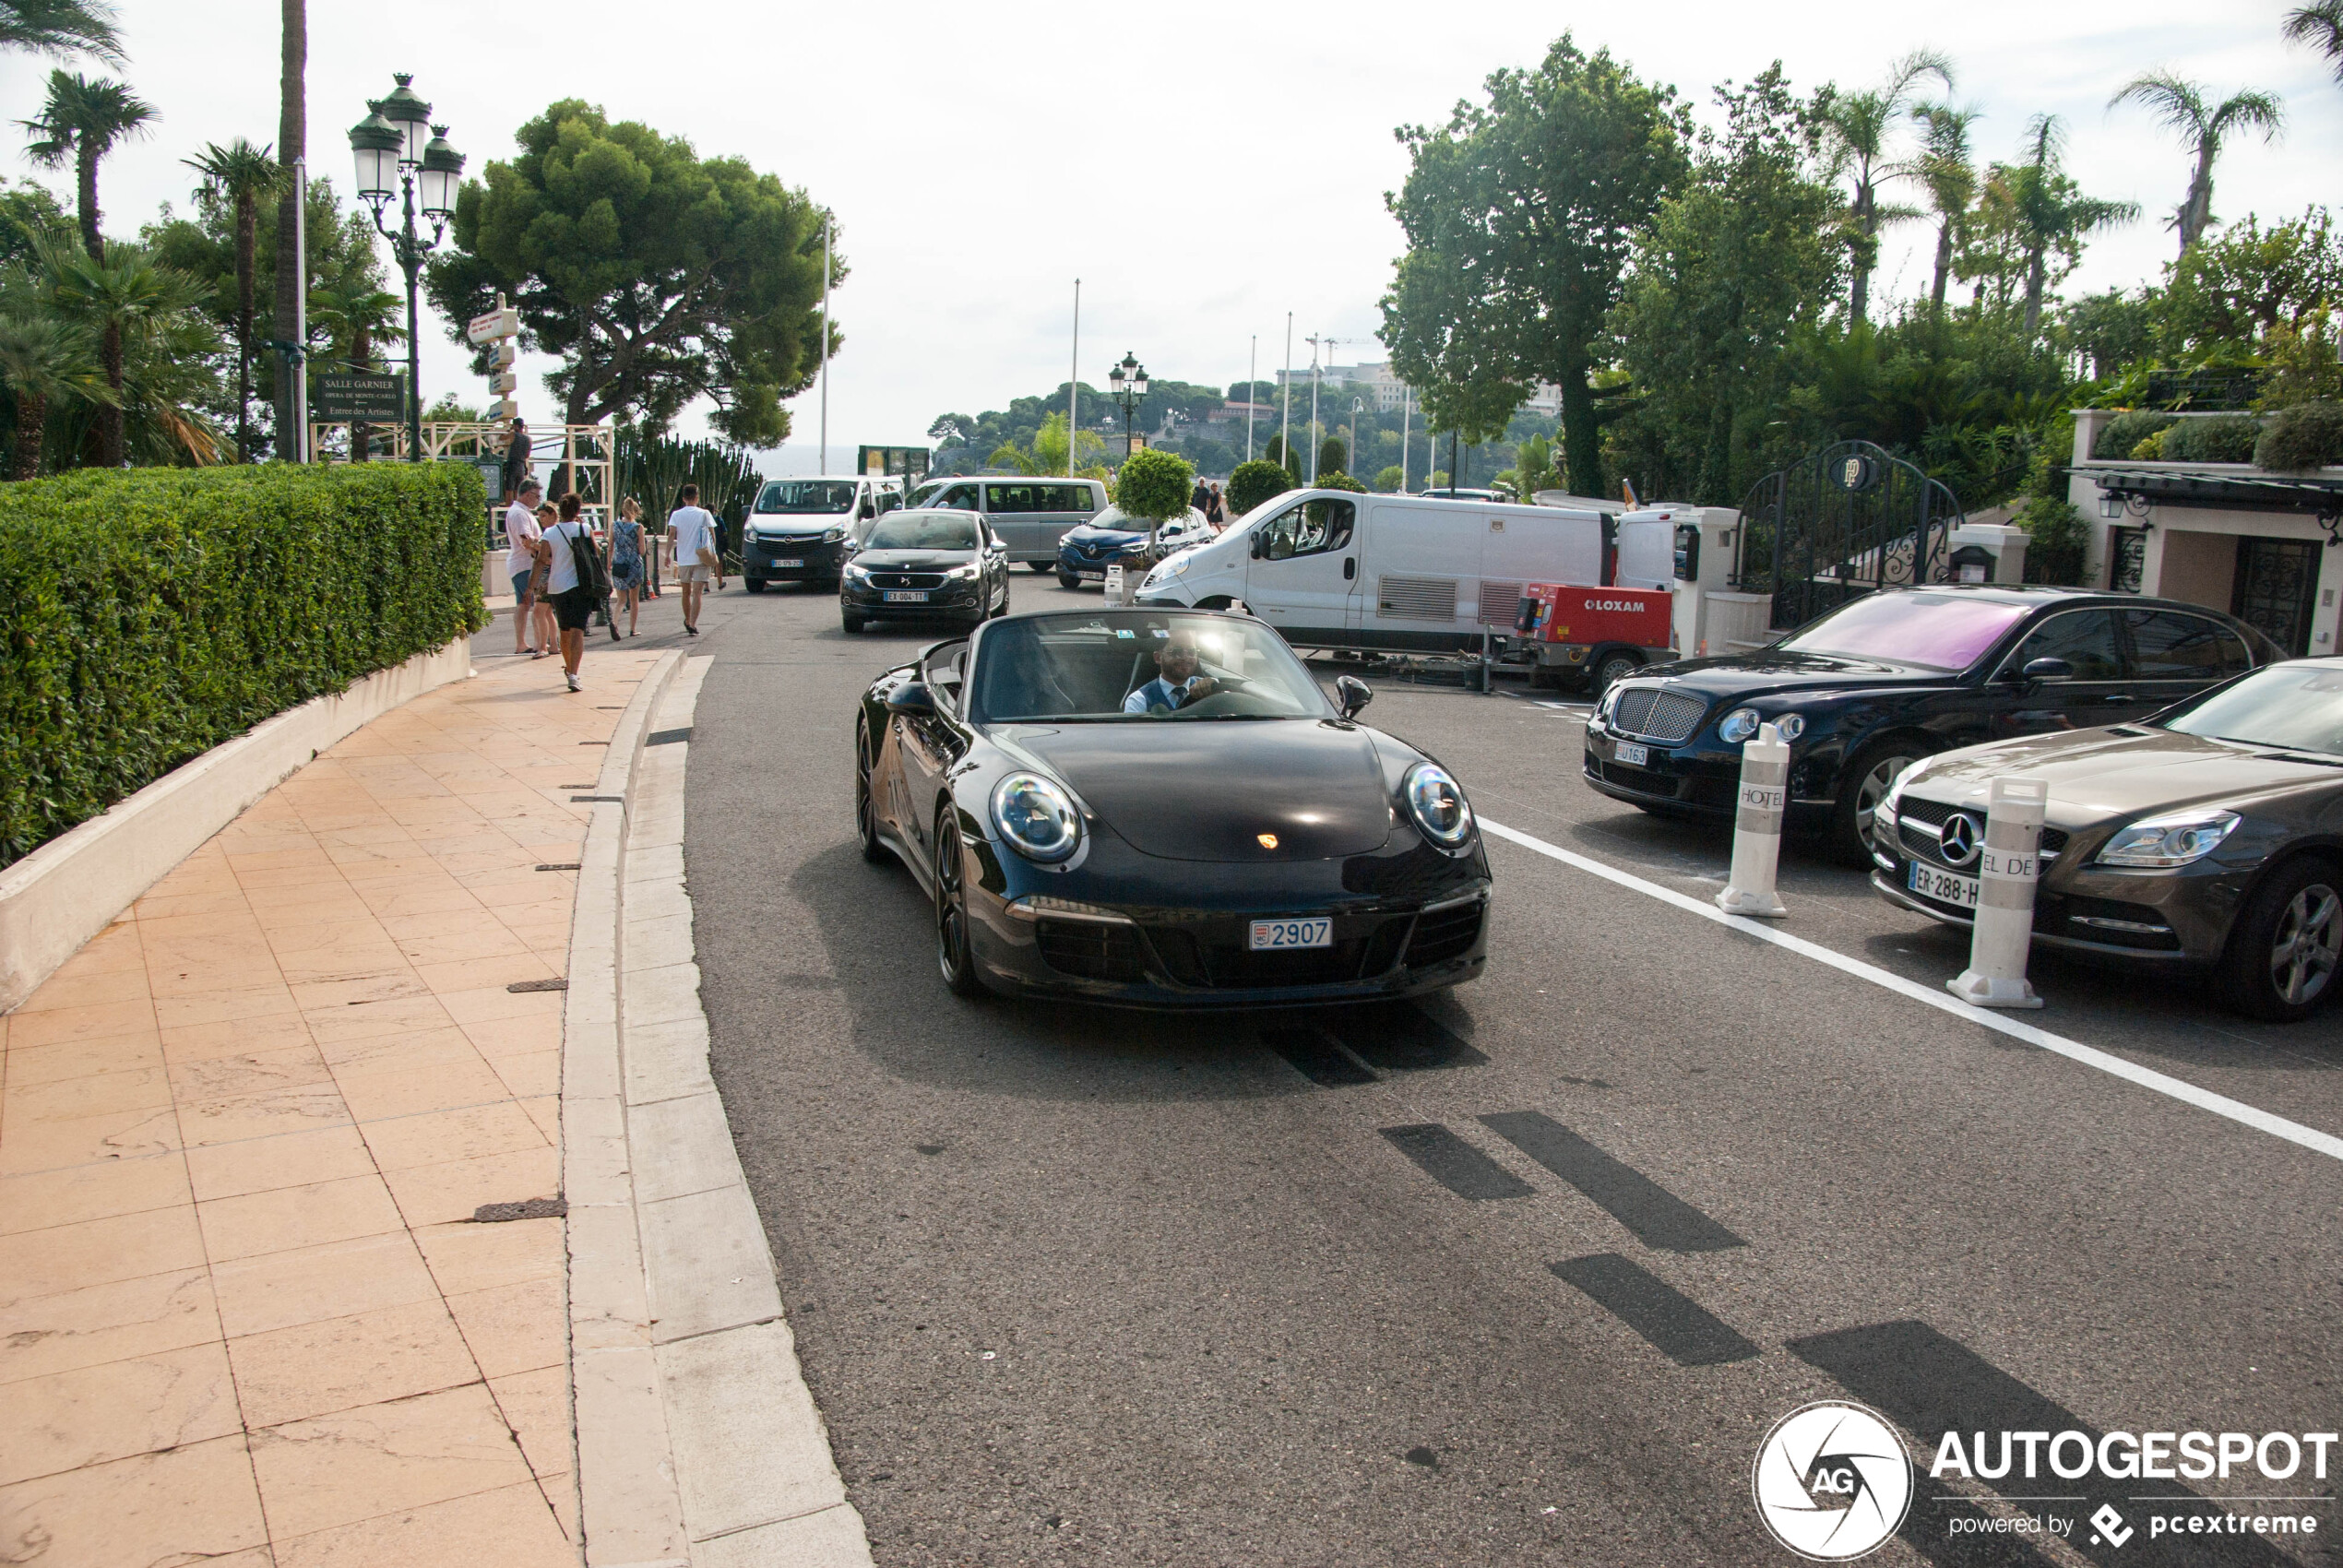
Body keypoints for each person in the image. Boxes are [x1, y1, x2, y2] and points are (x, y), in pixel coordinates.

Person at [542, 493, 603, 693]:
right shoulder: (585, 529)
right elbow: (596, 553)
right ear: (578, 510)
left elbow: (541, 560)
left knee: (565, 630)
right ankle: (574, 674)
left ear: (560, 511)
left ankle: (570, 669)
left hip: (558, 587)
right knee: (578, 630)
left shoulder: (550, 533)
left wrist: (531, 586)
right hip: (581, 586)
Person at [668, 482, 721, 636]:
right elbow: (712, 534)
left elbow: (672, 534)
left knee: (686, 592)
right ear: (697, 497)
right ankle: (692, 623)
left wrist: (667, 555)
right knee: (697, 593)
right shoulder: (705, 513)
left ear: (684, 498)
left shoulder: (676, 515)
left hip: (684, 558)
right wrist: (713, 553)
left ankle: (687, 619)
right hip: (702, 556)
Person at [1123, 636, 1221, 714]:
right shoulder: (1139, 700)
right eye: (1177, 652)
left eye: (1191, 652)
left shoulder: (1208, 689)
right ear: (1158, 657)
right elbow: (1134, 737)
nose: (1185, 658)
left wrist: (1216, 686)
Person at [504, 479, 544, 655]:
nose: (538, 500)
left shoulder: (521, 512)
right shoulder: (520, 514)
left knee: (524, 604)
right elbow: (526, 541)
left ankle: (523, 643)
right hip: (526, 565)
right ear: (528, 494)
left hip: (521, 565)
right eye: (536, 496)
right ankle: (538, 642)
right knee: (538, 604)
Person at [609, 498, 645, 639]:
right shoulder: (638, 527)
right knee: (634, 599)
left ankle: (614, 621)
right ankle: (632, 629)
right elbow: (641, 550)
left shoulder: (614, 525)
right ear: (635, 511)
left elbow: (610, 546)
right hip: (634, 565)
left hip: (618, 564)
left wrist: (608, 563)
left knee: (621, 599)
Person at [529, 502, 560, 657]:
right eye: (539, 516)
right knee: (548, 612)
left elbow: (549, 558)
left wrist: (534, 547)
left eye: (544, 516)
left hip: (546, 577)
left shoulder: (550, 534)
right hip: (550, 576)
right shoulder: (552, 532)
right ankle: (553, 645)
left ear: (553, 515)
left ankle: (543, 646)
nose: (541, 519)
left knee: (538, 612)